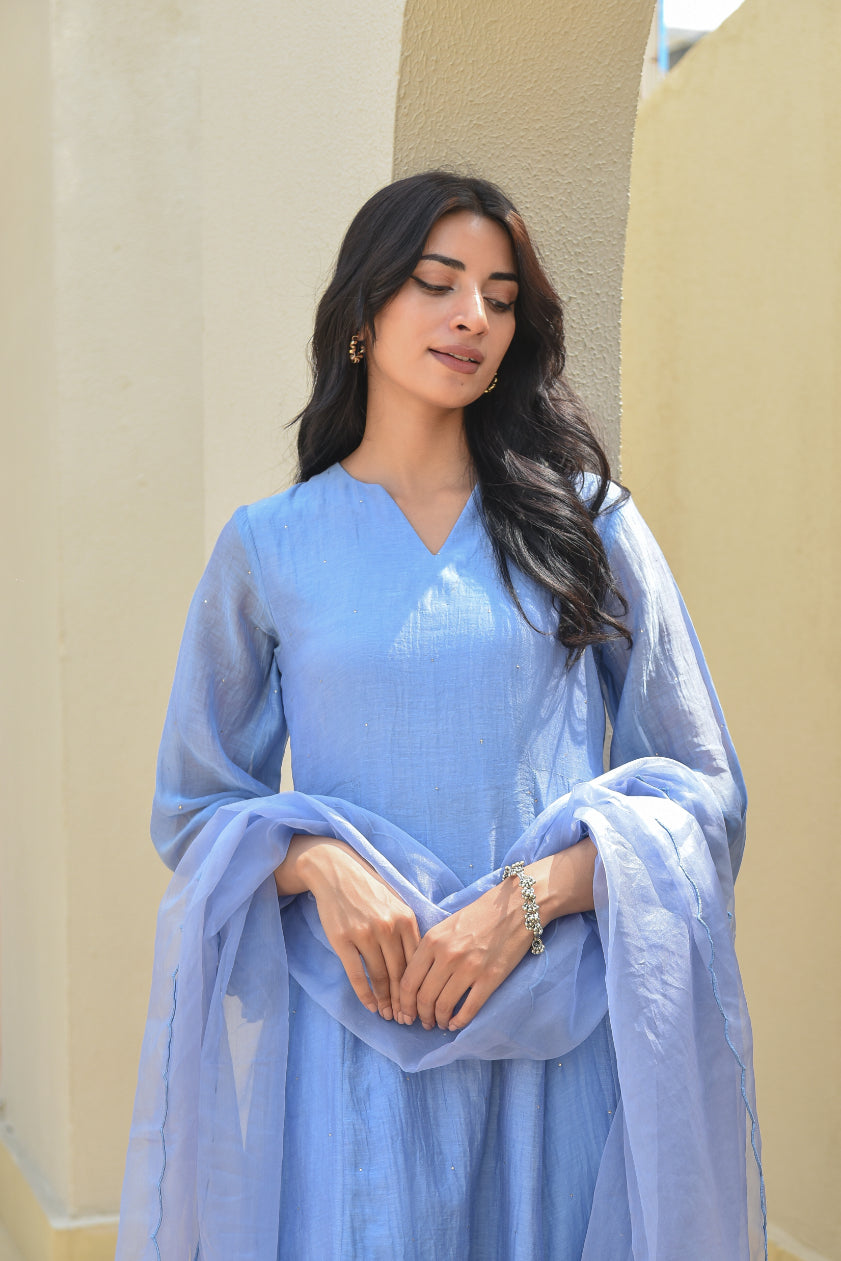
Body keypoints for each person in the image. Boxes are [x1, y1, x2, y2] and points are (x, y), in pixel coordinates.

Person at [117, 171, 766, 1260]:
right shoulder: (270, 548)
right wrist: (317, 861)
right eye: (437, 283)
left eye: (501, 297)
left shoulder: (588, 527)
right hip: (350, 1053)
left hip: (555, 1031)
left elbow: (702, 794)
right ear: (364, 314)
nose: (473, 316)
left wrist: (528, 899)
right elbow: (194, 809)